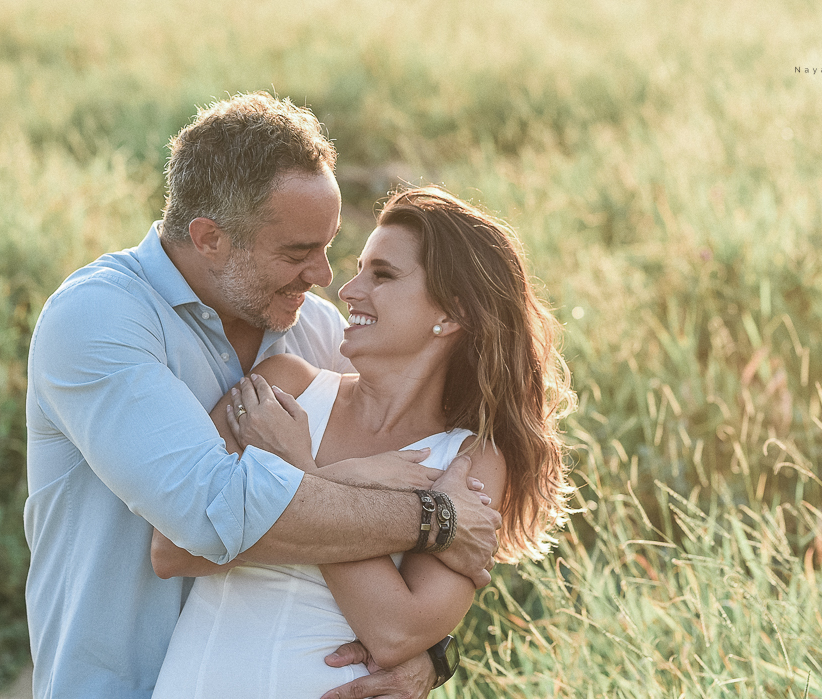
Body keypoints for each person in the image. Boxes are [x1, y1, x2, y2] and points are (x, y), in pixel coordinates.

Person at [24, 93, 502, 699]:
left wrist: (428, 653)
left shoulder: (317, 331)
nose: (325, 276)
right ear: (210, 238)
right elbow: (208, 515)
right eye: (297, 253)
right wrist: (434, 518)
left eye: (328, 246)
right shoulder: (98, 319)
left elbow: (346, 525)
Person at [149, 186, 575, 697]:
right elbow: (173, 547)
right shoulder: (285, 388)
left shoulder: (467, 459)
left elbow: (396, 632)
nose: (349, 290)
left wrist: (300, 470)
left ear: (452, 313)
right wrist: (342, 484)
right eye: (359, 270)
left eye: (383, 274)